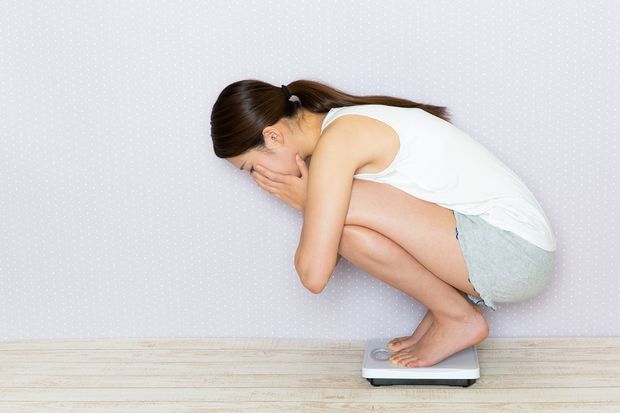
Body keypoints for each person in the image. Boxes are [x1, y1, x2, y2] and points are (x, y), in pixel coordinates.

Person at [210, 79, 557, 368]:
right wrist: (316, 206)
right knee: (345, 229)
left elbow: (314, 276)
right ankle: (451, 313)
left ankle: (457, 318)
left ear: (273, 137)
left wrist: (307, 203)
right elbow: (345, 244)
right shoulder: (341, 128)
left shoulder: (339, 141)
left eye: (250, 168)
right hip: (510, 250)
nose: (257, 179)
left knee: (340, 220)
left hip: (513, 251)